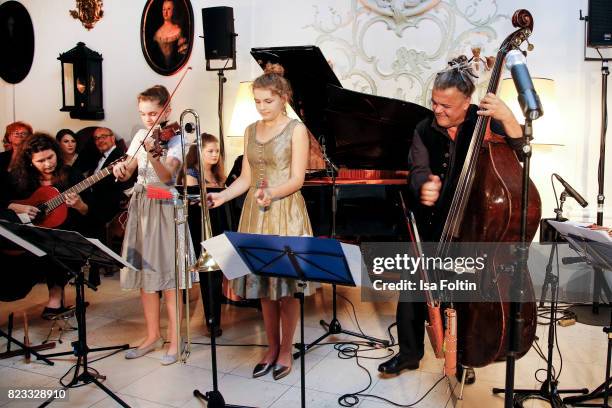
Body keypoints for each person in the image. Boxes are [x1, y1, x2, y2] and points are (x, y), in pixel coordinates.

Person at [377, 59, 525, 384]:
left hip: (476, 224)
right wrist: (423, 185)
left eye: (446, 105)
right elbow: (417, 170)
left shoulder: (485, 121)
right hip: (433, 221)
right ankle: (409, 353)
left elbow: (522, 146)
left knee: (463, 294)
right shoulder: (423, 128)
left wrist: (509, 117)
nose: (438, 110)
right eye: (434, 102)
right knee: (414, 287)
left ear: (467, 103)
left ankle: (464, 356)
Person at [207, 72, 315, 381]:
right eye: (257, 101)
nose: (262, 107)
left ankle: (285, 350)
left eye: (268, 101)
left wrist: (272, 192)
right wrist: (222, 196)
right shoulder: (250, 129)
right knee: (264, 288)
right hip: (256, 213)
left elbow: (297, 179)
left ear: (284, 99)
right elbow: (245, 179)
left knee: (287, 290)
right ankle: (271, 347)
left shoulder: (296, 130)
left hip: (285, 212)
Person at [112, 85, 196, 365]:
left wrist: (153, 154)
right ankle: (152, 336)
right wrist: (121, 169)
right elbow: (131, 168)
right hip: (142, 207)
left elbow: (168, 177)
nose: (148, 119)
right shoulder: (140, 134)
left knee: (169, 279)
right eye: (143, 114)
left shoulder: (180, 138)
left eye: (153, 113)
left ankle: (175, 338)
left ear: (167, 110)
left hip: (165, 208)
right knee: (146, 277)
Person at [0, 133, 90, 318]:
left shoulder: (71, 174)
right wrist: (15, 206)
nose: (48, 164)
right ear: (30, 161)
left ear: (57, 153)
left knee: (55, 245)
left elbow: (89, 212)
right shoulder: (19, 178)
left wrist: (79, 205)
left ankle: (55, 300)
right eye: (41, 161)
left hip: (65, 232)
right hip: (29, 234)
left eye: (50, 157)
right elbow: (4, 202)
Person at [180, 134, 228, 337]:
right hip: (201, 226)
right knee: (209, 273)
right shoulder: (191, 174)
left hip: (219, 225)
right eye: (210, 151)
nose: (215, 154)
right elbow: (192, 203)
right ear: (198, 152)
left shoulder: (218, 175)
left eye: (217, 151)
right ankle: (212, 320)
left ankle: (217, 311)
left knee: (218, 273)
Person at [153, 0, 187, 69]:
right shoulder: (157, 32)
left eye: (169, 9)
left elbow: (182, 54)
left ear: (173, 10)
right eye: (164, 9)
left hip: (176, 67)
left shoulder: (178, 30)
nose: (165, 12)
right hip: (159, 67)